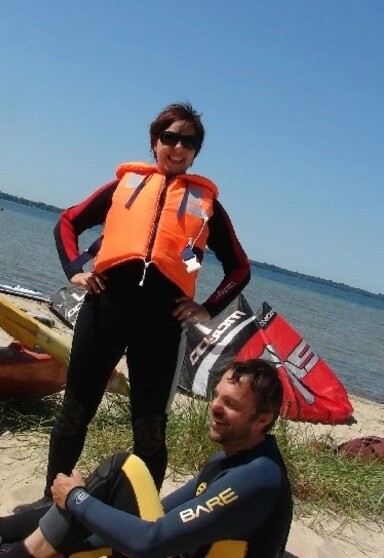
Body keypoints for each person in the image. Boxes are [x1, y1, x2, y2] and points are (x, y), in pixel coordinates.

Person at [36, 102, 251, 507]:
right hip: (106, 310)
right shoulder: (124, 186)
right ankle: (50, 505)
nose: (177, 146)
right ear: (155, 142)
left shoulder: (207, 207)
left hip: (161, 325)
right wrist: (76, 270)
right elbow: (67, 222)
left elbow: (239, 268)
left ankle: (141, 519)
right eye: (169, 137)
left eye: (188, 142)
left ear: (195, 152)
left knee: (149, 428)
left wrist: (207, 307)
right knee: (75, 413)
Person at [0, 359, 292, 557]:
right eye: (216, 396)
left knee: (123, 468)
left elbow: (149, 541)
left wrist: (76, 498)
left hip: (158, 552)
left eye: (230, 404)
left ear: (263, 419)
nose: (214, 407)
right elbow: (158, 512)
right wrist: (82, 519)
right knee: (105, 500)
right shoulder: (230, 461)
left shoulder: (257, 479)